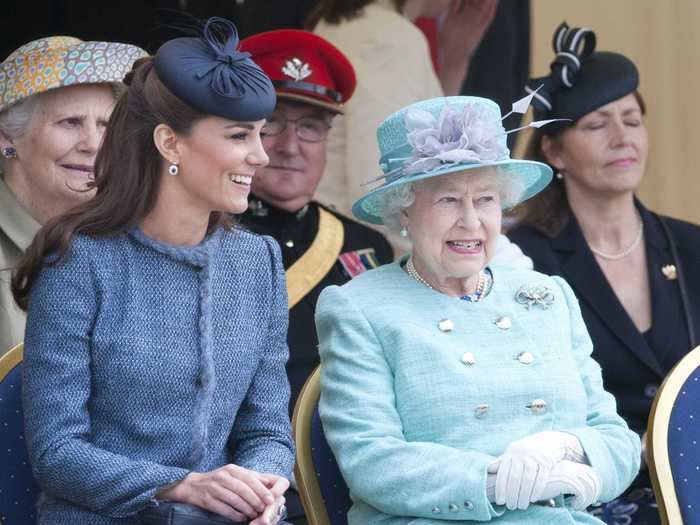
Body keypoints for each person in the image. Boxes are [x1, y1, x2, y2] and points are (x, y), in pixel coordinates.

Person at [12, 18, 293, 525]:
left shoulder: (260, 263)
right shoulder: (78, 263)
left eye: (259, 134)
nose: (261, 155)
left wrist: (265, 482)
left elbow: (267, 429)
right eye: (238, 135)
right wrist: (182, 485)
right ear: (169, 143)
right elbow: (56, 453)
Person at [315, 95, 640, 524]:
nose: (471, 222)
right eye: (448, 200)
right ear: (404, 212)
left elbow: (618, 440)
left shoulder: (548, 296)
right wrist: (494, 480)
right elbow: (372, 461)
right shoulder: (360, 307)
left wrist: (565, 447)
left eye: (486, 200)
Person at [507, 22, 700, 523]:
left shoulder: (692, 245)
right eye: (597, 125)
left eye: (632, 120)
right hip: (593, 492)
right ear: (554, 151)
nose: (622, 138)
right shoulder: (522, 261)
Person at [238, 30, 394, 523]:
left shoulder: (365, 246)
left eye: (309, 128)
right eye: (271, 126)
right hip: (241, 478)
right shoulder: (205, 236)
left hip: (347, 472)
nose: (289, 147)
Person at [310, 0, 497, 251]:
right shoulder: (391, 37)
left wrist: (455, 57)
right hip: (368, 258)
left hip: (337, 243)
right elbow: (381, 185)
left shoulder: (345, 25)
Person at [0, 35, 146, 354]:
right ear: (7, 138)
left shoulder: (130, 243)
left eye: (106, 125)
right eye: (70, 123)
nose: (93, 144)